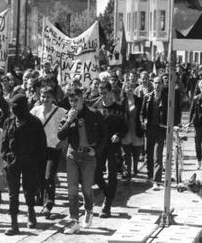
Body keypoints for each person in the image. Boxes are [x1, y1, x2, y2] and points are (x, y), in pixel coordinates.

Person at [57, 87, 106, 235]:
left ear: (82, 99)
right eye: (71, 101)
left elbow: (104, 135)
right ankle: (74, 220)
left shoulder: (94, 114)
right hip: (72, 155)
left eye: (75, 100)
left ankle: (89, 210)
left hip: (88, 156)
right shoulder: (67, 115)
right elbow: (60, 135)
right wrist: (69, 120)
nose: (73, 103)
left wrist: (96, 151)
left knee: (86, 188)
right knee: (72, 190)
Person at [1, 93, 47, 235]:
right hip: (12, 163)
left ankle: (31, 212)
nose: (13, 109)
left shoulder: (35, 122)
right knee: (12, 195)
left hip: (30, 162)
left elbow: (42, 146)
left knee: (29, 191)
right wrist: (6, 158)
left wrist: (37, 163)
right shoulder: (8, 122)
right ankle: (14, 224)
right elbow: (4, 144)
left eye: (15, 106)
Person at [91, 80, 128, 218]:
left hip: (113, 147)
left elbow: (125, 127)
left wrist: (118, 135)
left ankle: (107, 205)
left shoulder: (118, 109)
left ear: (111, 92)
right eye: (100, 94)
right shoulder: (96, 107)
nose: (103, 96)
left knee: (112, 176)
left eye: (105, 93)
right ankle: (108, 194)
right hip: (99, 147)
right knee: (96, 176)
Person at [31, 86, 67, 218]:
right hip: (39, 148)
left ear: (53, 98)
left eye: (48, 97)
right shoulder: (35, 111)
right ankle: (40, 198)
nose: (45, 99)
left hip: (53, 147)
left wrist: (64, 141)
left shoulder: (61, 112)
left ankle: (48, 204)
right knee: (40, 176)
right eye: (43, 96)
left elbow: (68, 126)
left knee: (49, 175)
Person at [141, 76, 180, 189]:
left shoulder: (167, 98)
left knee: (157, 155)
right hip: (149, 129)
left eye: (159, 83)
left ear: (163, 85)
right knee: (149, 155)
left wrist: (173, 125)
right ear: (152, 84)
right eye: (155, 83)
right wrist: (143, 121)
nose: (157, 85)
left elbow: (174, 113)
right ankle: (150, 176)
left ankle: (157, 181)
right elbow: (142, 113)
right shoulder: (147, 97)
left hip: (161, 129)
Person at [120, 80, 144, 180]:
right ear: (124, 89)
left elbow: (143, 112)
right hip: (126, 128)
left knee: (136, 150)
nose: (129, 89)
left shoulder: (139, 100)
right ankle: (128, 172)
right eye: (127, 87)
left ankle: (135, 168)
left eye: (131, 87)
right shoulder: (122, 102)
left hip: (137, 127)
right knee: (126, 152)